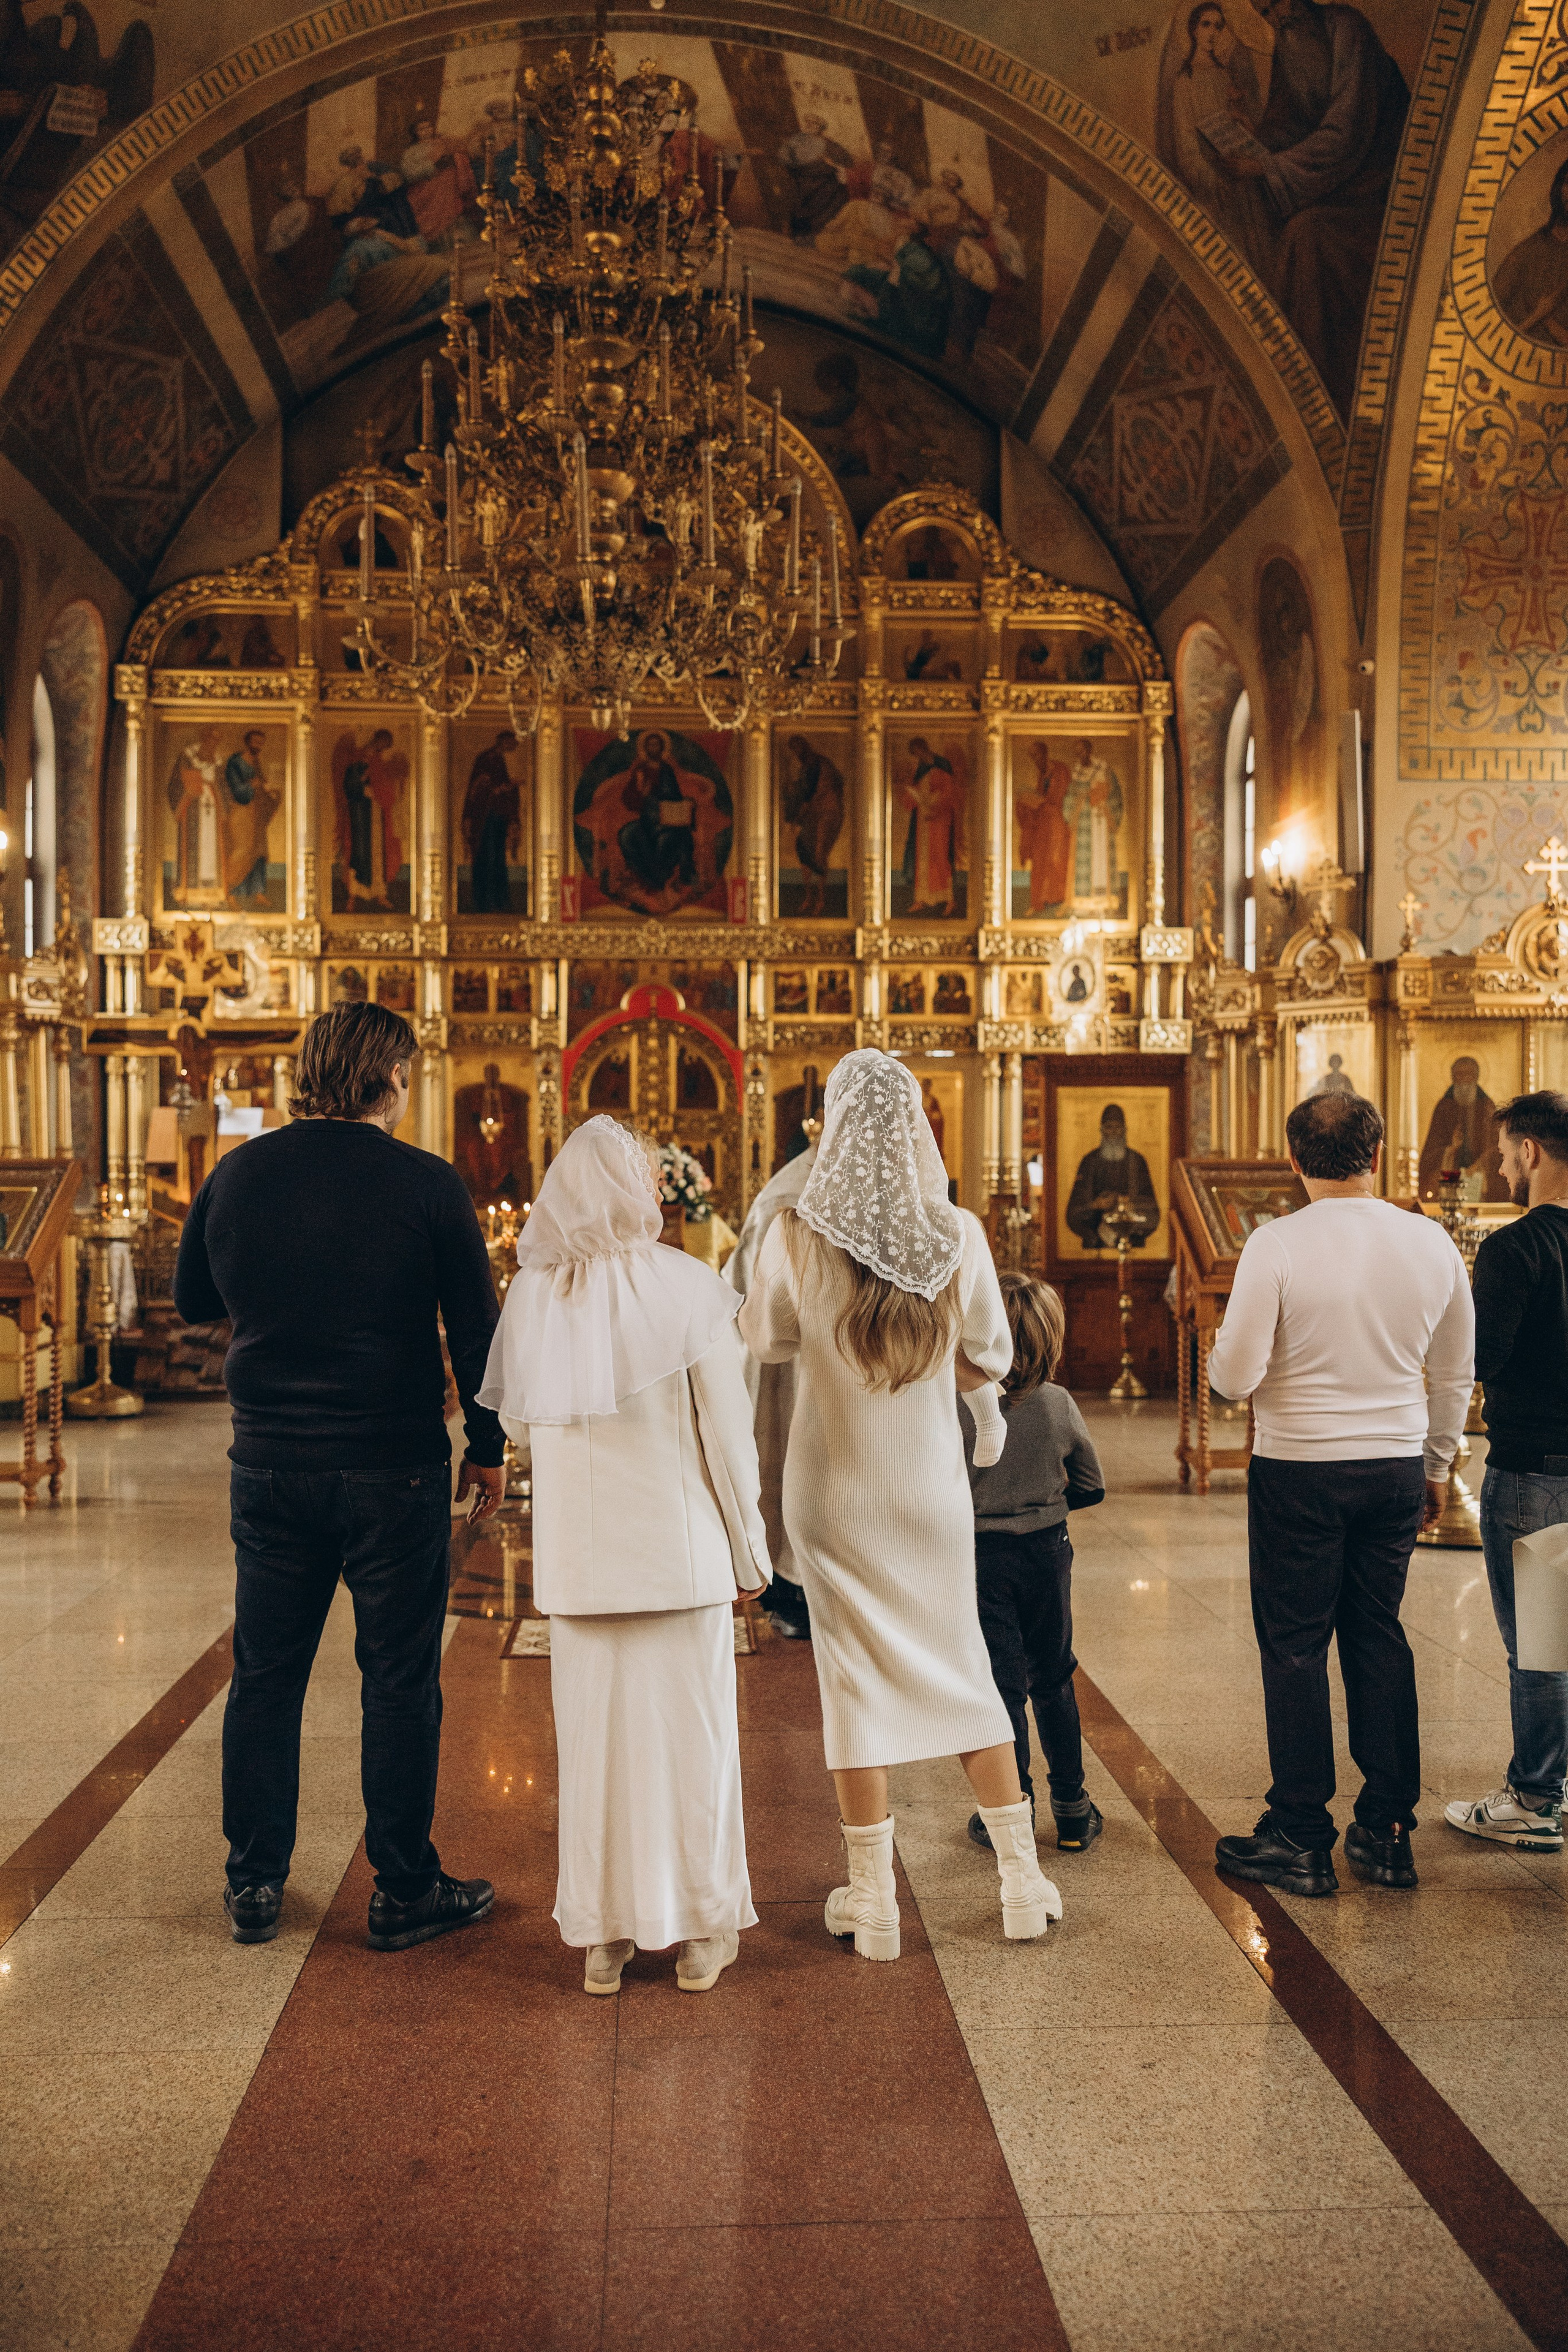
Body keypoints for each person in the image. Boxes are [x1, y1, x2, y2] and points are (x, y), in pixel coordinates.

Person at [173, 1003, 505, 1952]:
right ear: (391, 1076)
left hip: (270, 1460)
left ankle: (253, 1884)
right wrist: (487, 1443)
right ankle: (403, 1888)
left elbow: (194, 1297)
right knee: (398, 1678)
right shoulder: (426, 1185)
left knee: (266, 1675)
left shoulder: (237, 1173)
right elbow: (479, 1333)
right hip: (392, 1465)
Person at [738, 1049, 1063, 1959]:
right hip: (928, 1492)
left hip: (834, 1491)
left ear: (834, 1127)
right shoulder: (956, 1231)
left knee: (851, 1683)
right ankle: (1022, 1884)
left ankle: (874, 1901)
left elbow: (765, 1340)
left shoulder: (796, 1231)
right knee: (965, 1667)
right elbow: (991, 1354)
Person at [478, 1117, 771, 1996]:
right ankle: (702, 1933)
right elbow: (729, 1438)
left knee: (596, 1754)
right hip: (680, 1559)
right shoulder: (688, 1288)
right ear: (638, 1189)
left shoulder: (534, 1298)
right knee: (695, 1747)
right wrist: (750, 1552)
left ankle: (604, 1940)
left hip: (582, 1568)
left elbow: (519, 1429)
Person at [1208, 1091, 1474, 1896]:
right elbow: (1456, 1374)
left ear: (1292, 1159)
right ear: (1381, 1152)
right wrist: (1436, 1465)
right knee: (1377, 1636)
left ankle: (1299, 1834)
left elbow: (1232, 1379)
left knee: (1295, 1644)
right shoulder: (1432, 1242)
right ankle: (1389, 1829)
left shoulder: (1275, 1243)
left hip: (1299, 1468)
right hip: (1394, 1466)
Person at [1446, 1091, 1568, 1853]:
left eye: (1503, 1151)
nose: (1497, 1163)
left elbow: (1478, 1360)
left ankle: (1534, 1797)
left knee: (1542, 1645)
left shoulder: (1515, 1249)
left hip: (1537, 1472)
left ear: (1530, 1152)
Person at [964, 1274, 1107, 1856]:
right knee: (1054, 1676)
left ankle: (1010, 1810)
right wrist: (1046, 1504)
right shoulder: (1057, 1402)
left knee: (1002, 1686)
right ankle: (1073, 1811)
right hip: (1047, 1553)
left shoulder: (962, 1404)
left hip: (979, 1557)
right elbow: (1092, 1486)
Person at [725, 1118, 820, 1640]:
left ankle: (800, 1591)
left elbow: (737, 1281)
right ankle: (796, 1592)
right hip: (793, 1363)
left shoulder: (789, 1189)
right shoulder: (789, 1193)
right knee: (792, 1467)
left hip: (796, 1352)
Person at [1065, 1104, 1159, 1249]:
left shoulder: (1136, 1161)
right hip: (1095, 1243)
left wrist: (1123, 1203)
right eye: (1109, 1127)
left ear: (1125, 1130)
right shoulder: (1090, 1161)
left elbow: (1152, 1210)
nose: (1114, 1132)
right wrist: (1095, 1205)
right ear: (1102, 1130)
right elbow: (1073, 1212)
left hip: (1133, 1242)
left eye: (1118, 1127)